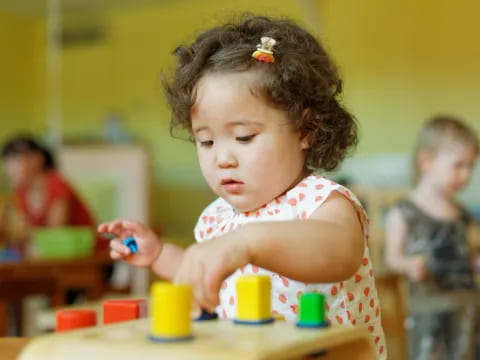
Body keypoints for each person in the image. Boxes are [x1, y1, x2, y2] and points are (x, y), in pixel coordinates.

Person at [99, 15, 386, 358]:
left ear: (305, 129)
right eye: (205, 142)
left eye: (243, 137)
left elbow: (337, 253)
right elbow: (210, 275)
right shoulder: (216, 218)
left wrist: (246, 242)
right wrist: (160, 255)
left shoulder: (322, 202)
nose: (222, 158)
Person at [385, 115, 479, 359]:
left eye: (471, 166)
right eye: (459, 165)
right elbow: (392, 259)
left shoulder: (463, 214)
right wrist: (408, 265)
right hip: (428, 310)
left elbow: (467, 255)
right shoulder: (405, 212)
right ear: (426, 161)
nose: (466, 175)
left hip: (467, 307)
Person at [1, 136, 106, 251]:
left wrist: (22, 235)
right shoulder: (22, 192)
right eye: (7, 162)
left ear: (37, 158)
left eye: (16, 161)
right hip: (56, 257)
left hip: (89, 256)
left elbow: (54, 233)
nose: (10, 169)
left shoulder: (57, 185)